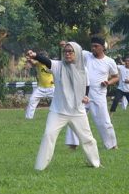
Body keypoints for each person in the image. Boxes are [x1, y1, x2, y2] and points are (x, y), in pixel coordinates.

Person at [27, 42, 100, 171]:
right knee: (48, 135)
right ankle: (40, 167)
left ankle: (95, 163)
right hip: (58, 111)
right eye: (65, 51)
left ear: (76, 53)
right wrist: (35, 55)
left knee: (88, 139)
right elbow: (46, 61)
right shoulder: (58, 66)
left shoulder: (83, 69)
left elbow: (86, 85)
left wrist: (85, 95)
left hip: (77, 111)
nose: (67, 53)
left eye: (70, 51)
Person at [65, 37, 119, 150]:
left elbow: (116, 77)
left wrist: (108, 82)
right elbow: (74, 50)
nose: (93, 48)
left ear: (103, 47)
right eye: (92, 46)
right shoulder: (86, 55)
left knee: (104, 121)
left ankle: (112, 145)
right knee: (74, 117)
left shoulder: (110, 62)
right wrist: (66, 44)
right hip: (82, 93)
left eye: (96, 46)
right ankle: (72, 145)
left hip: (98, 95)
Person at [25, 51, 54, 120]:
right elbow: (32, 62)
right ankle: (29, 118)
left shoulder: (51, 64)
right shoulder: (38, 63)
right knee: (32, 100)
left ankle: (60, 117)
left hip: (52, 88)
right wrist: (29, 57)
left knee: (59, 102)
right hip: (40, 88)